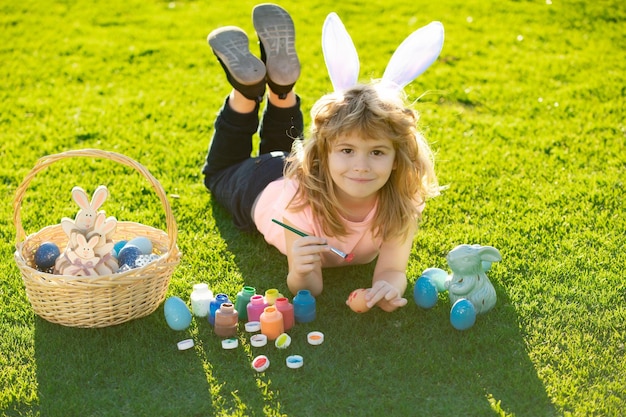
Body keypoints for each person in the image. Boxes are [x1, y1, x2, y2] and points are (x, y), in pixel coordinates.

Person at [202, 3, 440, 312]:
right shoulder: (298, 203)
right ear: (322, 154)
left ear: (398, 157)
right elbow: (308, 287)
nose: (361, 166)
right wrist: (300, 270)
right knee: (219, 172)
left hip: (289, 164)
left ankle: (282, 89)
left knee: (282, 148)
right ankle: (246, 94)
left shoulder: (403, 203)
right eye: (347, 150)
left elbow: (394, 270)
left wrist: (387, 287)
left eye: (377, 152)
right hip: (256, 185)